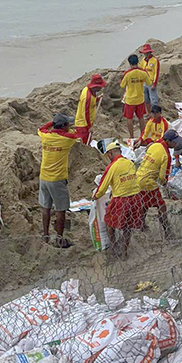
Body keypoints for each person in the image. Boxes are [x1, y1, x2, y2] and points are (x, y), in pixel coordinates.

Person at [38, 113, 80, 248]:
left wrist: (53, 123)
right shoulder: (66, 139)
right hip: (57, 180)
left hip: (44, 177)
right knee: (61, 210)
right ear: (65, 127)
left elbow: (41, 128)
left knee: (46, 207)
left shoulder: (45, 136)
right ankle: (59, 238)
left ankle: (45, 236)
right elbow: (76, 134)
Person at [93, 142, 141, 258]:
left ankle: (114, 248)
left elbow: (103, 186)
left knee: (109, 222)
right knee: (127, 226)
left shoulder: (112, 167)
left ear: (110, 154)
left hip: (121, 199)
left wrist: (95, 197)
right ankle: (124, 251)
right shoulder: (130, 163)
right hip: (135, 197)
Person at [135, 135, 176, 240]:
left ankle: (141, 225)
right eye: (174, 142)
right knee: (161, 206)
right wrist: (165, 184)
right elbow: (162, 177)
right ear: (168, 141)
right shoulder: (166, 155)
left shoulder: (154, 145)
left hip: (139, 177)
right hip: (148, 182)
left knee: (144, 203)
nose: (175, 144)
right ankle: (168, 232)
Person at [120, 54, 152, 139]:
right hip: (140, 99)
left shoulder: (127, 74)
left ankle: (131, 136)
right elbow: (149, 83)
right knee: (141, 117)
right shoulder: (143, 73)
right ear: (138, 62)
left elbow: (122, 85)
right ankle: (142, 135)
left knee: (129, 118)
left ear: (130, 63)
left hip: (130, 100)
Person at [74, 73, 107, 145]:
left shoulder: (89, 90)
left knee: (88, 141)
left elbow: (91, 102)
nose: (101, 88)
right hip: (83, 125)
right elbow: (85, 114)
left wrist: (97, 99)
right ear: (96, 86)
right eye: (100, 86)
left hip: (87, 123)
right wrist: (89, 127)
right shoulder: (87, 97)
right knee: (85, 144)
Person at [138, 44, 161, 113]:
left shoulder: (155, 60)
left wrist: (154, 83)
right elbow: (140, 69)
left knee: (154, 100)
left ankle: (155, 113)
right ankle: (149, 113)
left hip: (151, 82)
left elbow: (156, 73)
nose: (145, 54)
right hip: (144, 82)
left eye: (146, 53)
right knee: (146, 99)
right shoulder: (143, 60)